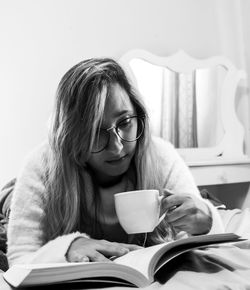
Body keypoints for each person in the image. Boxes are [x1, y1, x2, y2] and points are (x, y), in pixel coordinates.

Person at [6, 58, 225, 266]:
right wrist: (68, 247)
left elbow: (205, 239)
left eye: (125, 122)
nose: (117, 147)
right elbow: (19, 256)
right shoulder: (43, 165)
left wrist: (206, 221)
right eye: (96, 132)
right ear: (73, 136)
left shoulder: (161, 156)